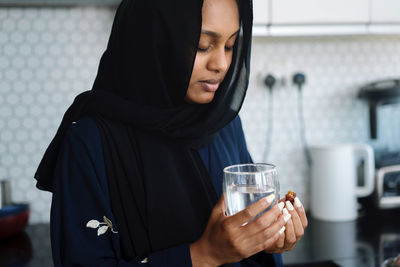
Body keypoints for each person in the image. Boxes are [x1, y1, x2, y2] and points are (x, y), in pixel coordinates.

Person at [34, 0, 308, 266]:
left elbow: (240, 243)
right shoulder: (89, 141)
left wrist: (265, 240)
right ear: (153, 40)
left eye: (230, 45)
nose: (221, 64)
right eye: (203, 46)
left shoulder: (223, 123)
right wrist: (204, 255)